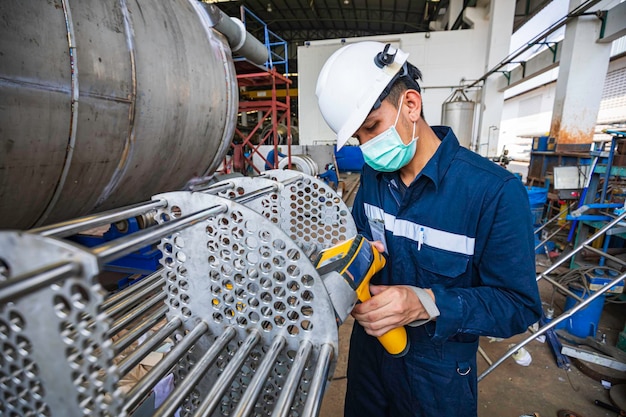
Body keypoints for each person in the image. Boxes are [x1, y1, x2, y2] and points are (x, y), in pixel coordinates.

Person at [315, 41, 542, 417]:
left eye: (372, 127)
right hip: (371, 358)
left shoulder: (494, 193)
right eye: (358, 138)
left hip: (437, 377)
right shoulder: (374, 176)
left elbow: (518, 306)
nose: (368, 148)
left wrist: (427, 302)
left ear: (411, 105)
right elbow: (359, 241)